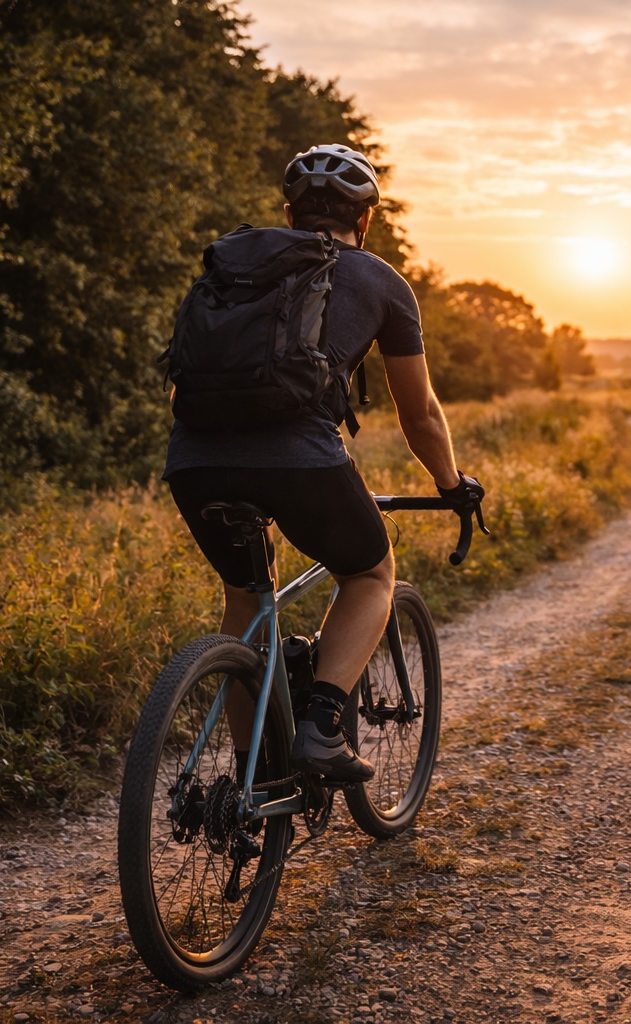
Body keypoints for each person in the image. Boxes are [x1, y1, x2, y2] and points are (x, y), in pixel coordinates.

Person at [162, 144, 483, 782]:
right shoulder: (382, 281)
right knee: (370, 573)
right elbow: (418, 414)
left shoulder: (233, 264)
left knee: (247, 601)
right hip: (301, 459)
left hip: (194, 459)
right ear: (365, 221)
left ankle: (256, 778)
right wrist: (452, 484)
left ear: (289, 213)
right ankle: (322, 728)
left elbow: (182, 382)